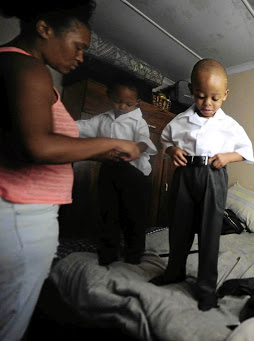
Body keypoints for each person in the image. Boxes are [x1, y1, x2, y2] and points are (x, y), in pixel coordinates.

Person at [0, 2, 141, 340]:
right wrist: (115, 145)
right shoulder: (27, 67)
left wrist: (99, 154)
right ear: (45, 28)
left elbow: (31, 141)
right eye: (78, 47)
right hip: (21, 215)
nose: (81, 58)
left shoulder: (13, 62)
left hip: (18, 210)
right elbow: (38, 146)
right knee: (10, 322)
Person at [150, 58, 254, 311]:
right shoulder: (180, 121)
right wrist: (173, 150)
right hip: (185, 175)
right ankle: (174, 272)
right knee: (179, 227)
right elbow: (164, 142)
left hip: (213, 176)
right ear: (191, 92)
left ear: (225, 95)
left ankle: (207, 287)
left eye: (215, 98)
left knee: (209, 234)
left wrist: (228, 156)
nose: (207, 103)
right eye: (200, 96)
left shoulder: (230, 126)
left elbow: (246, 151)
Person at [76, 78, 157, 265]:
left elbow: (144, 139)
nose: (122, 106)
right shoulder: (102, 119)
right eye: (117, 101)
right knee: (108, 211)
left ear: (136, 103)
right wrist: (61, 124)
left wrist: (138, 148)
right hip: (109, 169)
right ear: (109, 97)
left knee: (134, 215)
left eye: (128, 103)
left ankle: (134, 254)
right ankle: (108, 253)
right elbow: (82, 127)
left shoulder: (138, 121)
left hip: (135, 173)